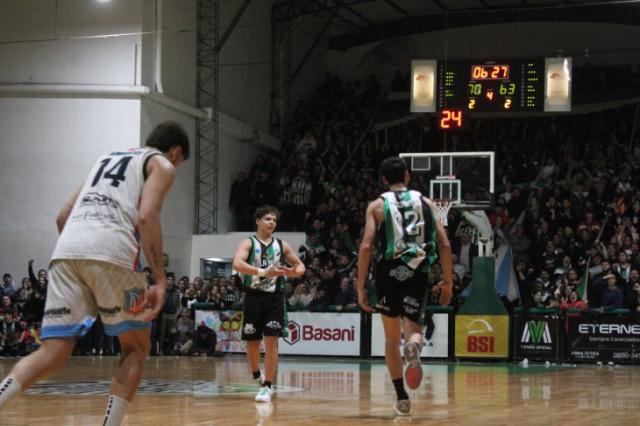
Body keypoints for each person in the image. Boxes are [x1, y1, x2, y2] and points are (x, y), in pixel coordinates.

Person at [0, 121, 189, 425]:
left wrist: (83, 259)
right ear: (176, 152)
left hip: (67, 249)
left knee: (54, 352)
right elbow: (146, 216)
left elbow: (63, 216)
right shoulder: (161, 163)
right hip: (113, 250)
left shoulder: (105, 158)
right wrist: (160, 279)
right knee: (136, 348)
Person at [357, 156, 452, 417]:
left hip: (387, 271)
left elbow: (366, 246)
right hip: (417, 269)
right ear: (408, 176)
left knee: (390, 340)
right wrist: (447, 281)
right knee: (414, 329)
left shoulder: (376, 205)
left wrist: (360, 285)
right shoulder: (427, 203)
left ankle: (401, 398)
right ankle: (413, 346)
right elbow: (444, 245)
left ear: (384, 180)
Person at [232, 206, 305, 403]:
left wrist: (291, 272)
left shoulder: (282, 245)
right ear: (257, 221)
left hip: (274, 298)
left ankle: (268, 385)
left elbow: (300, 267)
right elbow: (237, 264)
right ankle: (256, 374)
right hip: (253, 297)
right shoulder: (248, 242)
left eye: (274, 220)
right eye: (267, 219)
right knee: (253, 343)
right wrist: (264, 272)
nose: (272, 222)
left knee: (272, 341)